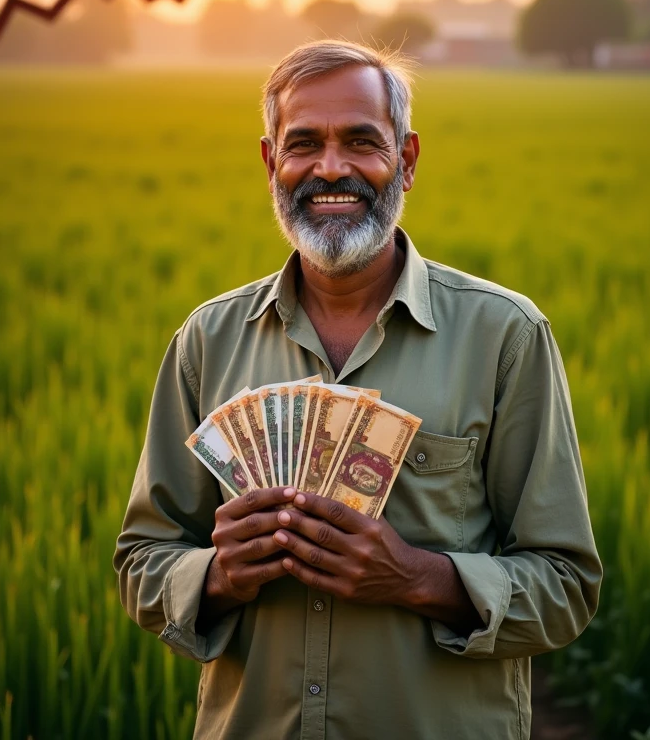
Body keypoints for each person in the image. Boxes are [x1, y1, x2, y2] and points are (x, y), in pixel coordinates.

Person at [115, 41, 602, 740]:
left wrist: (414, 577)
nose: (331, 168)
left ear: (405, 159)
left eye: (361, 142)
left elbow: (567, 586)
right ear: (270, 162)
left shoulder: (505, 335)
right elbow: (141, 562)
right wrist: (222, 574)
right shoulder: (207, 340)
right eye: (303, 143)